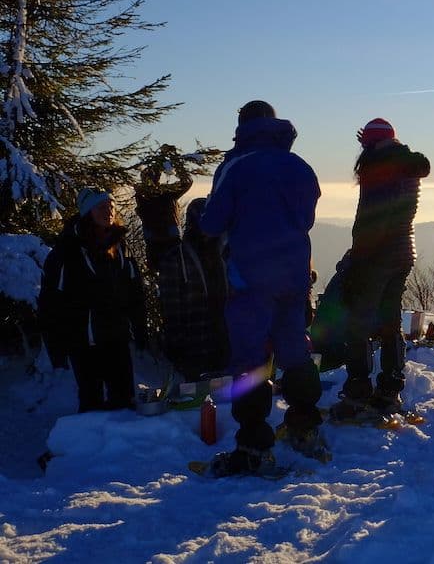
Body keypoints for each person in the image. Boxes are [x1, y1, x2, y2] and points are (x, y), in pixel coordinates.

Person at [200, 100, 324, 475]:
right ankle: (305, 426)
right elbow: (305, 218)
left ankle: (253, 447)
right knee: (294, 351)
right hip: (293, 274)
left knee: (250, 360)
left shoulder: (235, 165)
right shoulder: (299, 166)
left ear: (241, 126)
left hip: (250, 277)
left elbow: (210, 224)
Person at [330, 118, 430, 422]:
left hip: (377, 256)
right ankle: (389, 390)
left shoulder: (378, 165)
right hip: (403, 251)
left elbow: (373, 220)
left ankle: (357, 393)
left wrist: (358, 259)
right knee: (389, 322)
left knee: (357, 325)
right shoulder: (406, 164)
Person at [37, 188, 148, 412]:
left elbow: (134, 293)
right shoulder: (67, 251)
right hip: (84, 341)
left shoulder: (121, 247)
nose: (108, 211)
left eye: (111, 206)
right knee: (91, 402)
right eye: (101, 207)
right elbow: (50, 303)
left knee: (124, 399)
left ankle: (119, 446)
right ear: (88, 212)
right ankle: (88, 446)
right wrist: (57, 348)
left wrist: (139, 330)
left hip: (116, 337)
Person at [157, 198, 229, 382]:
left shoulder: (225, 254)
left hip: (224, 344)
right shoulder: (176, 258)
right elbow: (171, 307)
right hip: (194, 347)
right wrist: (176, 345)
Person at [133, 145, 193, 272]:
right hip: (171, 245)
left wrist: (163, 159)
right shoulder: (165, 194)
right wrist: (173, 159)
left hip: (156, 247)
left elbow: (186, 182)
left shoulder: (142, 196)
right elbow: (187, 181)